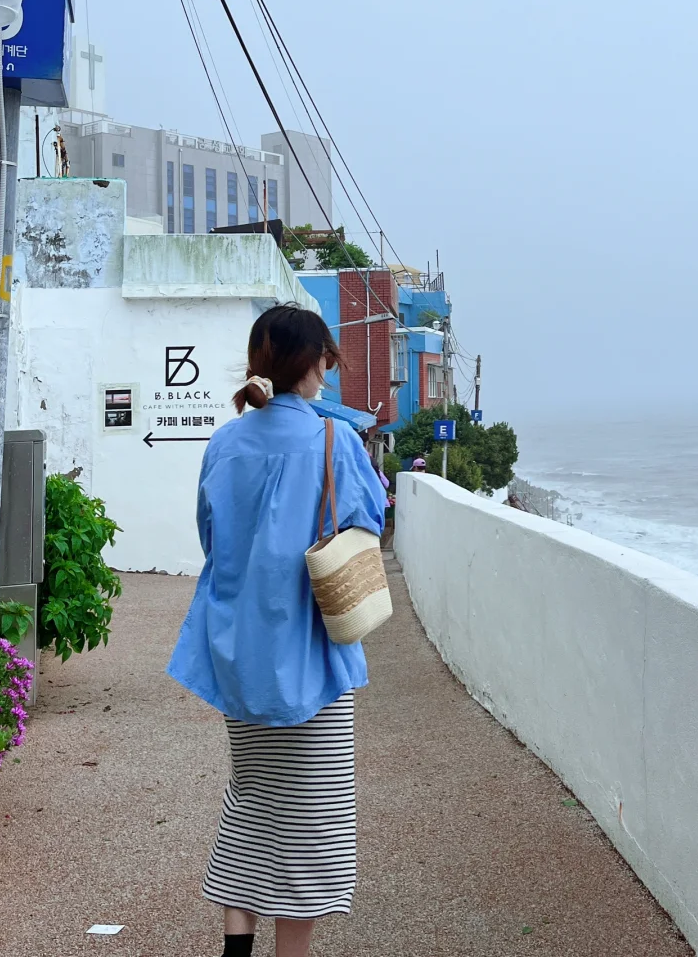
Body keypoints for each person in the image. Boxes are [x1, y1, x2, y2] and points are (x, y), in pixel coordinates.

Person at [167, 303, 386, 957]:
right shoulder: (333, 439)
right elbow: (368, 524)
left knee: (252, 799)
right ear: (315, 362)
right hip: (311, 654)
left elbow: (210, 537)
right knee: (314, 822)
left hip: (237, 649)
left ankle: (237, 943)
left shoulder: (225, 441)